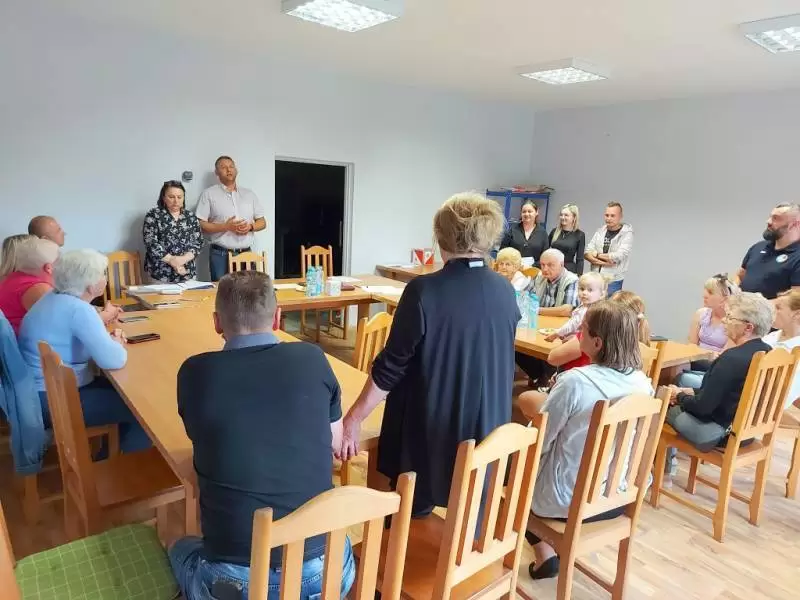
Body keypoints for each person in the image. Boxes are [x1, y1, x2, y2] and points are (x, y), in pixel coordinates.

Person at [169, 271, 355, 600]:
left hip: (236, 584)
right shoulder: (312, 358)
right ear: (278, 317)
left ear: (217, 323)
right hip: (326, 572)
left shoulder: (195, 373)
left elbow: (204, 442)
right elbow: (336, 443)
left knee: (178, 545)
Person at [337, 192, 519, 515]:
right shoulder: (505, 289)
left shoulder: (425, 290)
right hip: (487, 434)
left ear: (440, 237)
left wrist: (353, 419)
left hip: (431, 438)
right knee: (466, 500)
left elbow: (390, 367)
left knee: (406, 488)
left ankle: (403, 529)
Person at [523, 300, 653, 580]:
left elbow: (541, 440)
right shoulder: (643, 383)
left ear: (597, 342)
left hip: (567, 501)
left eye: (582, 329)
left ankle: (544, 553)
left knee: (511, 468)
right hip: (618, 495)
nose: (577, 334)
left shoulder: (575, 382)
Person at [18, 250, 151, 453]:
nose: (105, 278)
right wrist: (116, 342)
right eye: (103, 274)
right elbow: (113, 360)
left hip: (38, 394)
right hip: (54, 400)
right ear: (91, 285)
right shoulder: (79, 310)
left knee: (130, 392)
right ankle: (118, 463)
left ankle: (111, 452)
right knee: (142, 407)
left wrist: (106, 341)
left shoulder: (50, 298)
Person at [666, 292, 773, 453]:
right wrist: (691, 392)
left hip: (718, 434)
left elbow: (702, 407)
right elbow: (733, 393)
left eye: (730, 317)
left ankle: (664, 468)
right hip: (746, 434)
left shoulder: (731, 359)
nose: (724, 320)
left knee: (663, 408)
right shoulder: (767, 352)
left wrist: (679, 396)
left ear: (748, 328)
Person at [515, 249, 580, 384]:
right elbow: (523, 298)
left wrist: (536, 310)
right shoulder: (539, 277)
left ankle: (545, 378)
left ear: (561, 265)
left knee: (549, 350)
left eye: (550, 265)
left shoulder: (572, 280)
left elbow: (566, 310)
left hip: (561, 329)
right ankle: (540, 377)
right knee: (515, 345)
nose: (544, 269)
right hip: (539, 325)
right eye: (542, 265)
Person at [196, 156, 266, 281]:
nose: (228, 170)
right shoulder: (208, 194)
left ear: (236, 170)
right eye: (223, 167)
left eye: (231, 166)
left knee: (248, 290)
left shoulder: (249, 194)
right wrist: (225, 226)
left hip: (246, 254)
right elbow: (200, 225)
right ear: (217, 172)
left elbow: (262, 222)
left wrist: (250, 227)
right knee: (222, 289)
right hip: (220, 254)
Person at [675, 275, 738, 389]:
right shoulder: (700, 314)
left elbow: (723, 357)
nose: (704, 295)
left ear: (724, 298)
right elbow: (691, 345)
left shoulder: (733, 321)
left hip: (715, 368)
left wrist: (702, 354)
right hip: (696, 359)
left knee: (680, 375)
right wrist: (702, 354)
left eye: (710, 292)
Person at [736, 203, 800, 301]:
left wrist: (755, 307)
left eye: (776, 218)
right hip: (741, 309)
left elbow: (795, 301)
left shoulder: (797, 256)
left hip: (769, 311)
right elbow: (740, 276)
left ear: (794, 224)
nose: (768, 221)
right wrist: (731, 290)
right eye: (770, 217)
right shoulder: (758, 247)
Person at [143, 181, 204, 283]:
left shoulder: (190, 217)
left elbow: (199, 242)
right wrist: (172, 260)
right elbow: (150, 243)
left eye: (179, 197)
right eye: (171, 197)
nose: (176, 201)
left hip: (186, 272)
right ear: (163, 198)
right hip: (160, 273)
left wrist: (182, 259)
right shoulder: (153, 215)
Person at [0, 237, 58, 335]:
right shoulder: (39, 290)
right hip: (22, 342)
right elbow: (60, 325)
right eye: (59, 260)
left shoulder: (13, 277)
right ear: (48, 268)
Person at [584, 202, 634, 296]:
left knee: (609, 305)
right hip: (595, 277)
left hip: (613, 280)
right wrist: (604, 263)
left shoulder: (626, 234)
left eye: (612, 216)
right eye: (607, 215)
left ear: (620, 216)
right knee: (593, 304)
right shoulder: (600, 231)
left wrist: (596, 254)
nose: (609, 218)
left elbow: (619, 255)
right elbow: (587, 252)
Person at [763, 290, 800, 408]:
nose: (773, 311)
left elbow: (787, 396)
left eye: (778, 308)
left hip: (774, 408)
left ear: (797, 314)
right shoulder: (769, 337)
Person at [545, 272, 606, 342]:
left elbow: (572, 325)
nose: (584, 293)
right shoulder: (586, 306)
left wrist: (556, 333)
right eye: (582, 289)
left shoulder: (586, 311)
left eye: (590, 290)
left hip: (579, 342)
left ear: (601, 294)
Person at [499, 200, 549, 267]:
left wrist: (532, 266)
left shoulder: (543, 233)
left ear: (536, 212)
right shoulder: (512, 231)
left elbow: (545, 255)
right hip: (514, 268)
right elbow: (502, 251)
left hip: (535, 270)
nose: (526, 214)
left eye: (530, 211)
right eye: (524, 212)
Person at [548, 204, 585, 275]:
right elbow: (545, 250)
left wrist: (579, 275)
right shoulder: (554, 231)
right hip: (552, 268)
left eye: (566, 215)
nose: (563, 217)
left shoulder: (579, 235)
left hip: (568, 271)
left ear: (574, 217)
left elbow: (580, 259)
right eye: (561, 215)